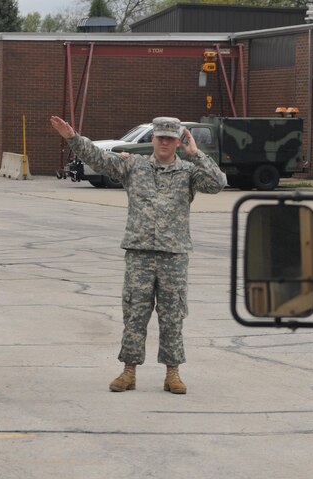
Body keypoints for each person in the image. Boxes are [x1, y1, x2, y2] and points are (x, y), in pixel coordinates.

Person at [50, 115, 227, 394]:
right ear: (153, 140)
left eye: (171, 138)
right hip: (139, 255)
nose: (165, 143)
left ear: (178, 141)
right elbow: (99, 159)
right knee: (134, 314)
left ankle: (172, 373)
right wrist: (73, 137)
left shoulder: (188, 172)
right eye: (160, 138)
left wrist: (195, 154)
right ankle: (129, 372)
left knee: (172, 316)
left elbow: (218, 183)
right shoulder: (134, 166)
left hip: (173, 256)